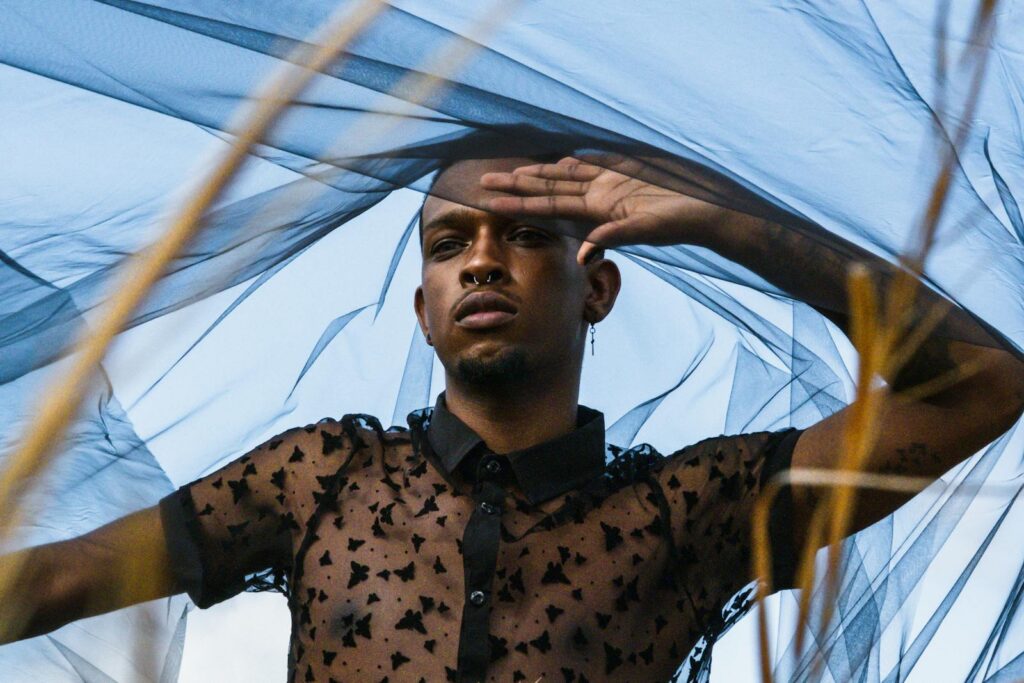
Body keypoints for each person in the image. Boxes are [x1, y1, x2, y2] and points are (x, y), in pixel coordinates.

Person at [1, 154, 1022, 683]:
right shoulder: (320, 474)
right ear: (423, 308)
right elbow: (53, 577)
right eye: (449, 244)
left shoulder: (691, 507)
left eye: (527, 234)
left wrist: (723, 222)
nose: (482, 258)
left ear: (599, 288)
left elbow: (981, 380)